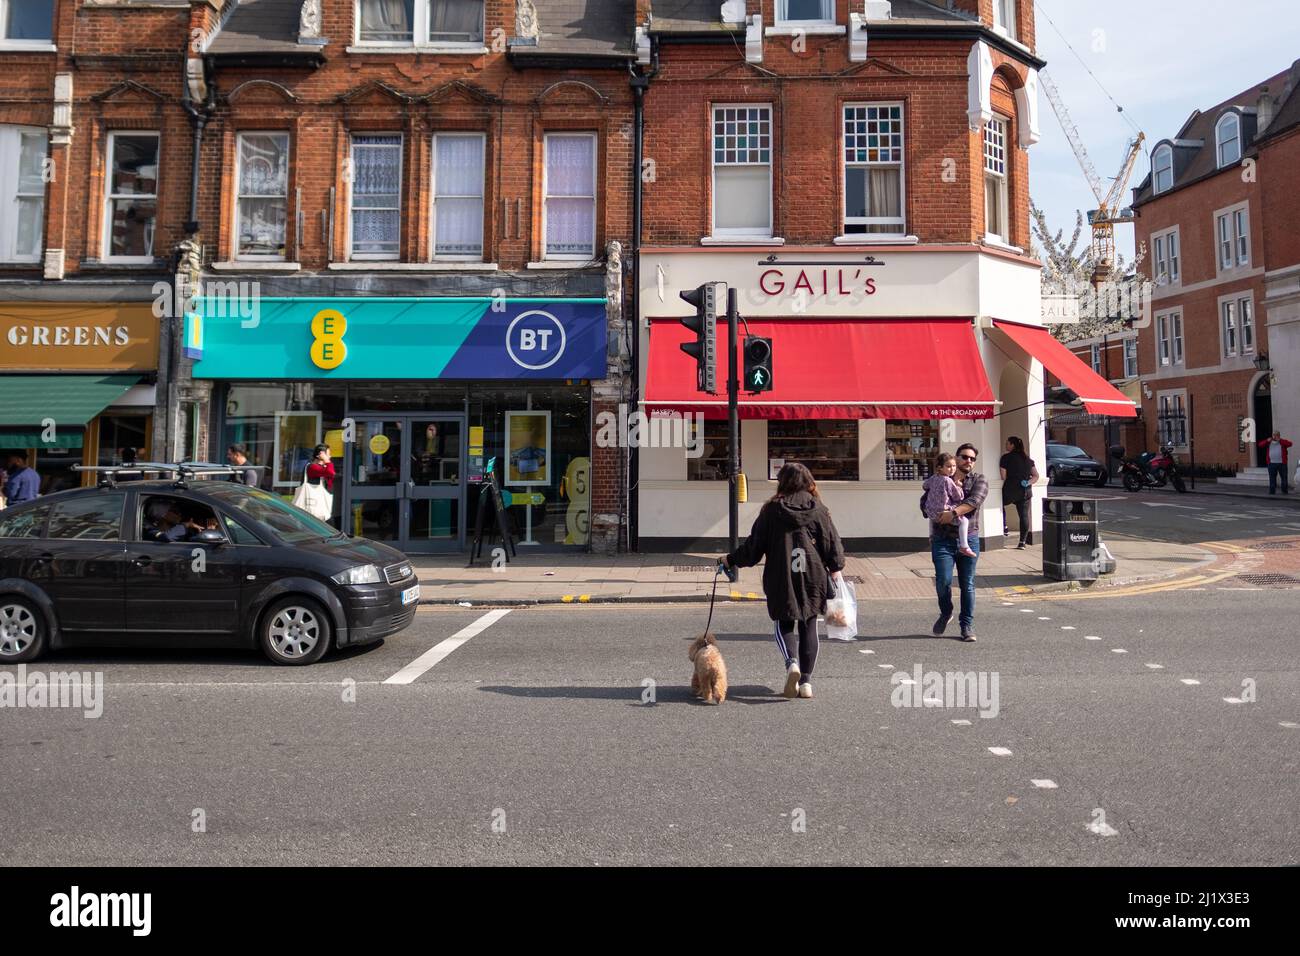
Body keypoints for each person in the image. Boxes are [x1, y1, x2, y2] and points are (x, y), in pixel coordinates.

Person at [721, 462, 846, 700]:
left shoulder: (771, 510)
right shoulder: (819, 508)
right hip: (813, 576)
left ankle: (792, 663)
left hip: (781, 575)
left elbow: (753, 549)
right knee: (809, 624)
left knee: (784, 622)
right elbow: (834, 547)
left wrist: (730, 560)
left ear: (783, 482)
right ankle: (807, 682)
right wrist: (836, 567)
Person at [932, 442, 988, 643]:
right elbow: (925, 499)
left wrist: (952, 513)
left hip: (969, 538)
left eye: (972, 459)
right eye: (964, 457)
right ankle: (946, 612)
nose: (968, 461)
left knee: (968, 584)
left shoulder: (979, 480)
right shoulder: (941, 478)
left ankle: (967, 625)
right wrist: (931, 511)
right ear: (956, 458)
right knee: (943, 581)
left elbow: (973, 502)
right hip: (942, 539)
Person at [924, 453, 976, 558]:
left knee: (932, 519)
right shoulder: (948, 480)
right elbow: (958, 497)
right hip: (944, 511)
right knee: (964, 521)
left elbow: (925, 485)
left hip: (930, 509)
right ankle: (964, 545)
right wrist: (959, 486)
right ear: (940, 467)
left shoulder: (933, 478)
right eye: (948, 466)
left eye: (954, 466)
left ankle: (931, 535)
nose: (952, 469)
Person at [998, 436, 1039, 549]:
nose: (1006, 445)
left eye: (1007, 443)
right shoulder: (1027, 459)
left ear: (1012, 445)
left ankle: (1004, 527)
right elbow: (1036, 476)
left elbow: (1003, 476)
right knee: (1024, 516)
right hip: (1025, 491)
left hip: (1010, 490)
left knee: (999, 505)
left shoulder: (1005, 458)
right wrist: (1028, 482)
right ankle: (1022, 542)